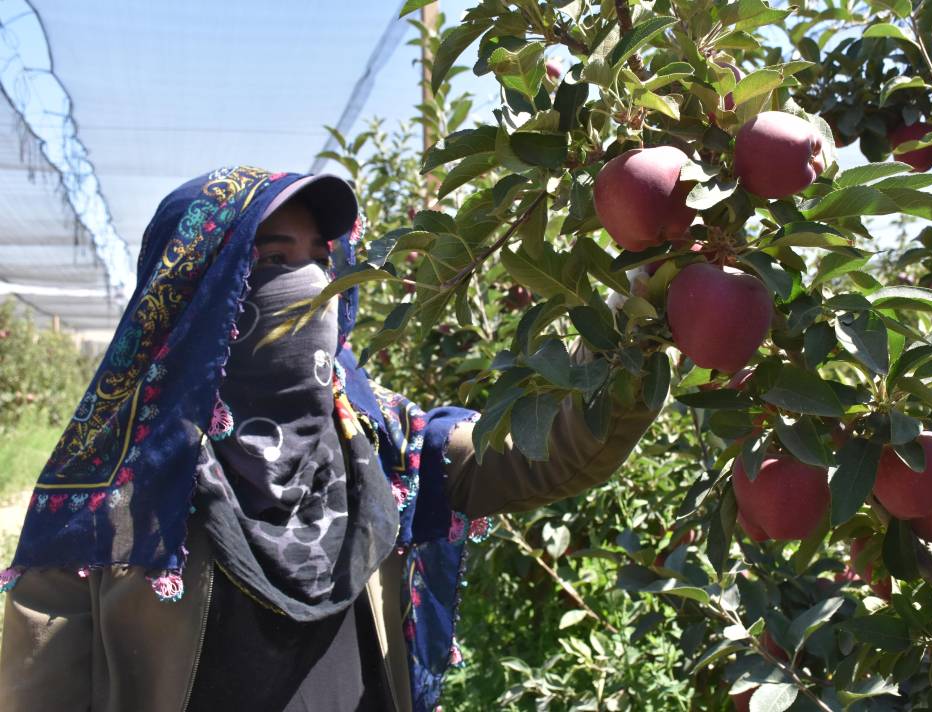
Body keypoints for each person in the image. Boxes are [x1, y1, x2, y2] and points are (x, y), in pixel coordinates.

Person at [0, 166, 659, 712]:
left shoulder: (384, 442)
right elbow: (41, 690)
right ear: (194, 292)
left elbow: (551, 451)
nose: (313, 287)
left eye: (321, 260)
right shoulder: (108, 498)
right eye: (272, 260)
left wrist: (648, 293)